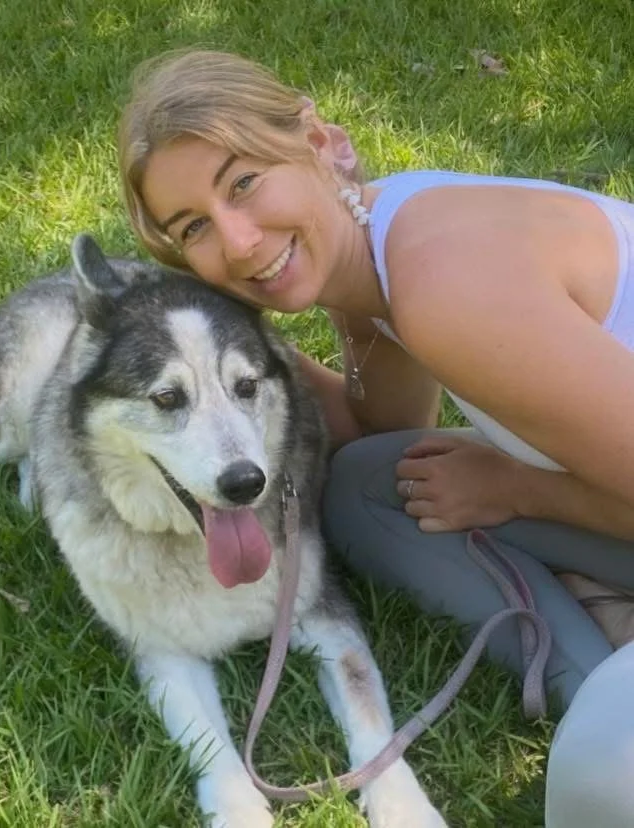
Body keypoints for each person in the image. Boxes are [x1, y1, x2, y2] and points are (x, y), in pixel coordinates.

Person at [116, 49, 634, 827]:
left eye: (244, 182)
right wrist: (228, 355)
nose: (241, 241)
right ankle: (589, 677)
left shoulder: (445, 286)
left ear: (318, 144)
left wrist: (519, 489)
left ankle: (607, 697)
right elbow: (380, 434)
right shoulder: (375, 246)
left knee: (601, 783)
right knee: (366, 487)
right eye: (196, 227)